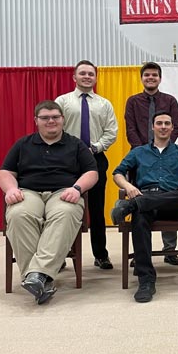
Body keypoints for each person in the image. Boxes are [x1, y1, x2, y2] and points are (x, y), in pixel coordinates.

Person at [0, 100, 98, 305]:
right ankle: (41, 277)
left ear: (63, 119)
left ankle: (36, 276)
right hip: (28, 192)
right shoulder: (23, 144)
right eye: (45, 118)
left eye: (55, 117)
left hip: (63, 192)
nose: (50, 121)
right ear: (36, 121)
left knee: (66, 213)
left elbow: (92, 172)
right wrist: (11, 189)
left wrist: (77, 188)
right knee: (17, 215)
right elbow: (5, 172)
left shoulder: (76, 144)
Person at [112, 111, 178, 303]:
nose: (163, 126)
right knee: (140, 217)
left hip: (174, 202)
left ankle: (133, 204)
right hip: (148, 196)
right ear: (153, 127)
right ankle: (146, 280)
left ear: (173, 128)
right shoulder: (138, 151)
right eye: (159, 123)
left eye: (167, 124)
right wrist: (129, 187)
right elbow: (117, 173)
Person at [56, 60, 118, 270]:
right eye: (82, 73)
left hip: (95, 159)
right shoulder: (62, 102)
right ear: (74, 77)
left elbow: (111, 132)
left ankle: (101, 255)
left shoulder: (104, 104)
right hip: (67, 161)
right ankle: (63, 253)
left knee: (97, 210)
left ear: (95, 77)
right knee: (65, 207)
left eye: (90, 74)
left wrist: (96, 147)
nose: (87, 77)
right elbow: (54, 128)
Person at [124, 61, 178, 266]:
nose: (150, 78)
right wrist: (144, 152)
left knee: (167, 195)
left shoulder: (170, 101)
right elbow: (130, 128)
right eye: (147, 75)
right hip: (139, 157)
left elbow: (175, 128)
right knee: (141, 202)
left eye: (154, 75)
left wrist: (162, 149)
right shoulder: (132, 101)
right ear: (142, 78)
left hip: (167, 155)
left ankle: (170, 250)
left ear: (160, 78)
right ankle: (141, 251)